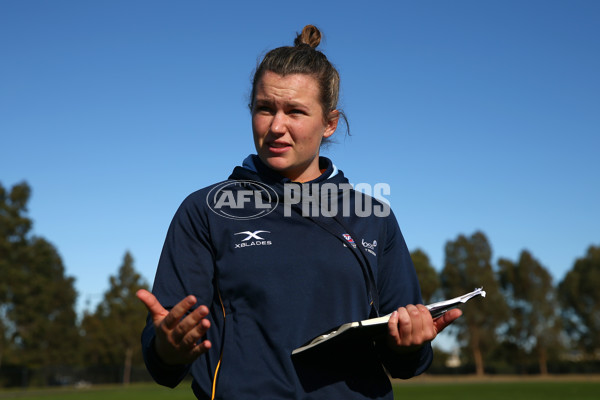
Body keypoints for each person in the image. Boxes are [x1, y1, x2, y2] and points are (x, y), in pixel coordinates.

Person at [137, 24, 461, 400]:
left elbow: (405, 362)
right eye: (264, 109)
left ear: (329, 123)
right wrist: (167, 348)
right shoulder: (205, 211)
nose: (276, 126)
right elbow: (163, 360)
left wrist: (411, 344)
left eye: (295, 111)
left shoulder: (373, 215)